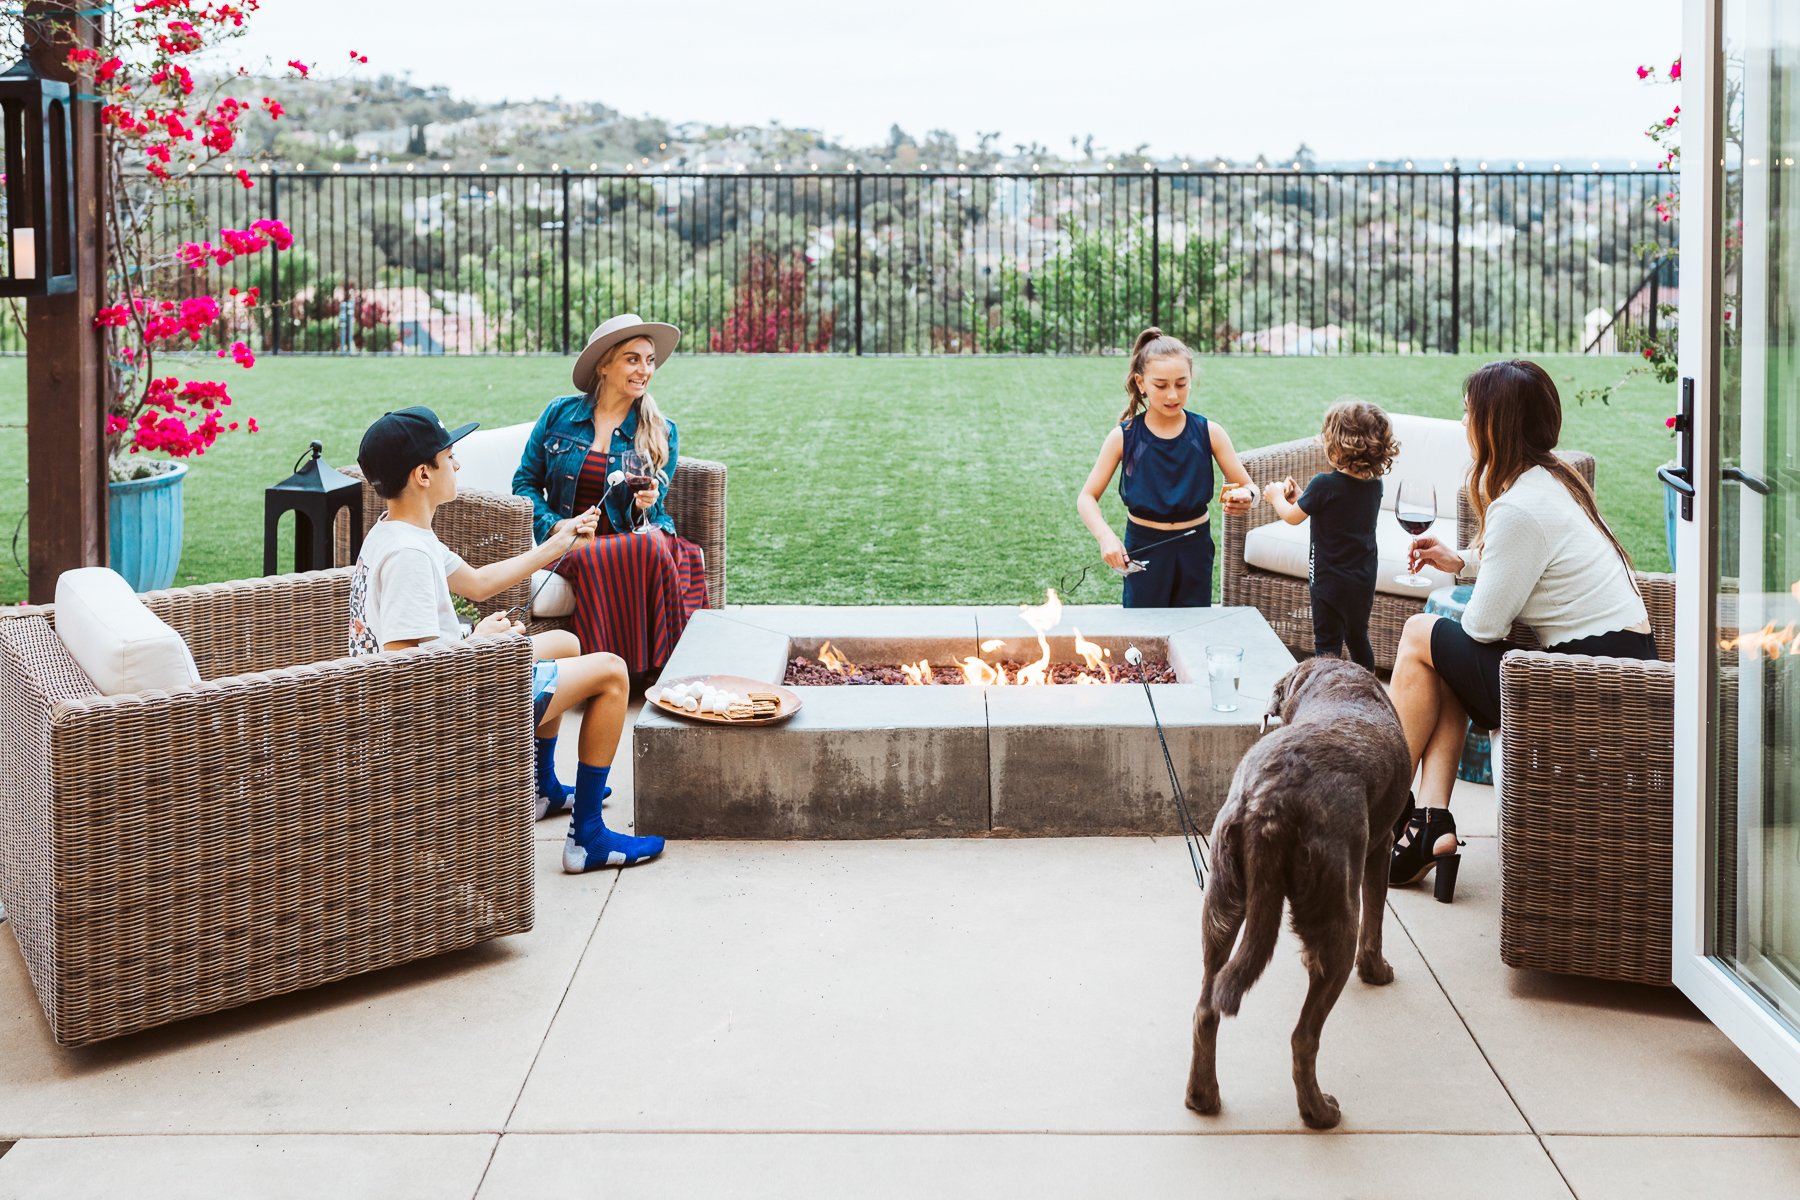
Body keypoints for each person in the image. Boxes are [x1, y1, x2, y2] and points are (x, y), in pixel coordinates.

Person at [350, 405, 665, 871]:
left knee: (565, 643)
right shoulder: (407, 556)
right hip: (441, 711)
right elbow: (403, 668)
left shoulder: (398, 531)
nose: (456, 465)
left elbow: (477, 583)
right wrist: (478, 642)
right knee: (613, 673)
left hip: (451, 677)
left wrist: (557, 544)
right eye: (448, 457)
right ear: (422, 474)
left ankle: (541, 786)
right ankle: (588, 839)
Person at [1387, 360, 1655, 901]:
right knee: (1442, 651)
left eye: (1469, 411)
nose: (1463, 419)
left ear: (1493, 425)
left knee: (1422, 634)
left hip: (1580, 695)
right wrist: (1460, 561)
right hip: (1615, 674)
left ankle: (1382, 805)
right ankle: (1433, 822)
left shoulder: (1518, 507)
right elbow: (1530, 558)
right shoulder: (1553, 479)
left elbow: (1484, 628)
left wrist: (1463, 598)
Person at [513, 313, 707, 678]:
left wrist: (644, 504)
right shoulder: (559, 414)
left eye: (649, 361)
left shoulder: (661, 430)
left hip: (632, 540)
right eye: (632, 359)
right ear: (604, 364)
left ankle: (628, 672)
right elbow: (524, 483)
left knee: (648, 545)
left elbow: (649, 513)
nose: (644, 371)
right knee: (612, 552)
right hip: (573, 542)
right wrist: (557, 526)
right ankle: (627, 674)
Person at [1077, 327, 1256, 606]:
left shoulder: (1210, 432)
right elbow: (1086, 498)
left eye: (1181, 384)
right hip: (1143, 545)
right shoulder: (1123, 437)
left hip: (1195, 546)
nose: (1172, 395)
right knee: (1143, 632)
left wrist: (1248, 497)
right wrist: (1106, 537)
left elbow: (1249, 486)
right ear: (1141, 383)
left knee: (1191, 632)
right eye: (1161, 385)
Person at [1262, 400, 1398, 671]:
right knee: (1358, 636)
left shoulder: (1324, 484)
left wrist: (1275, 496)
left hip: (1329, 580)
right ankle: (1367, 684)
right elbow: (1336, 510)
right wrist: (1303, 498)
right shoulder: (1373, 484)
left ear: (1337, 445)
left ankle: (1326, 689)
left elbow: (1291, 516)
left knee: (1327, 644)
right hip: (1362, 578)